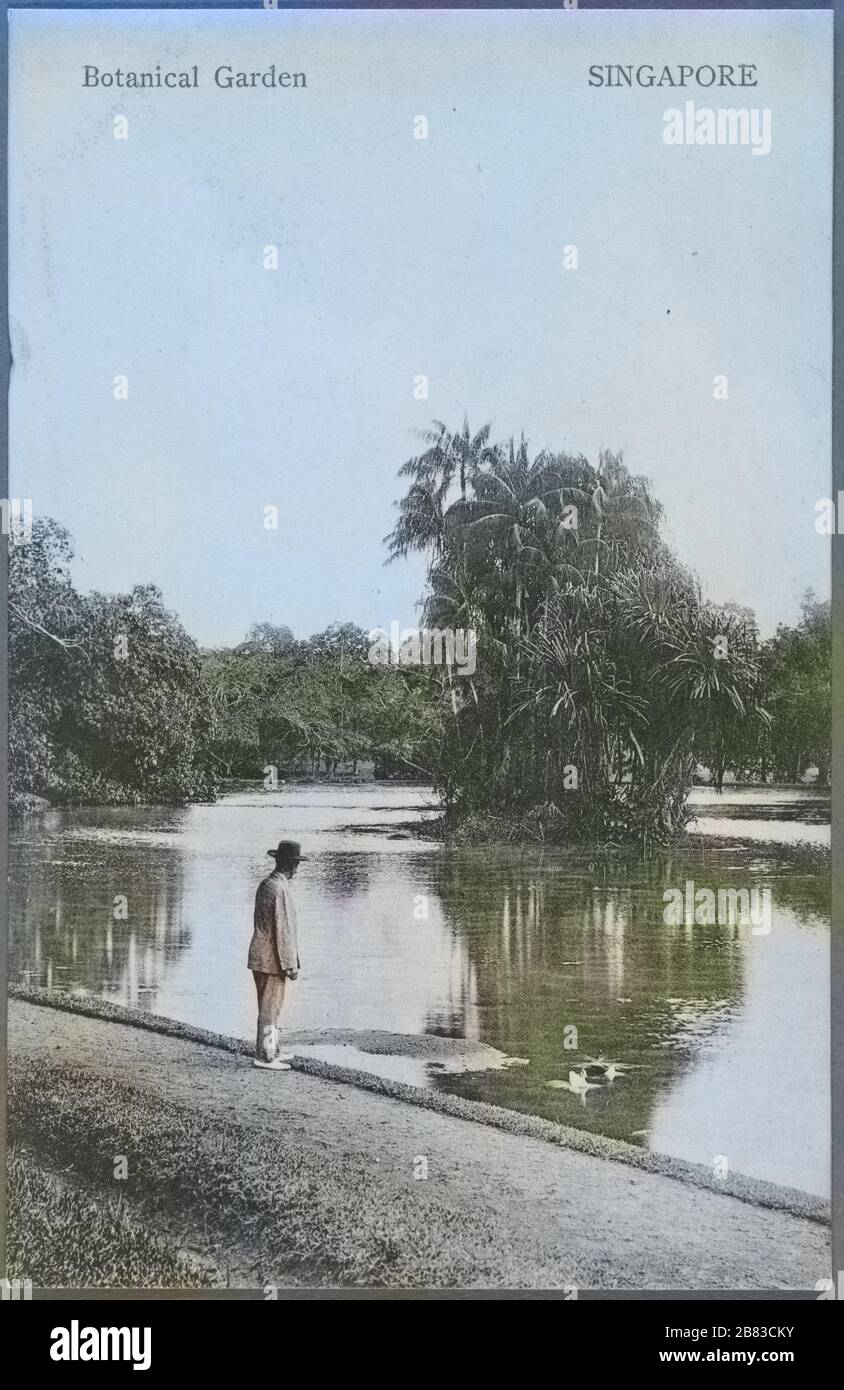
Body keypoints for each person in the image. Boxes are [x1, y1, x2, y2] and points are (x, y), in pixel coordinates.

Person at [248, 839, 306, 1070]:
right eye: (295, 864)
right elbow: (283, 930)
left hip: (260, 953)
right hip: (271, 957)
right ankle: (265, 1056)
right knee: (270, 1008)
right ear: (290, 866)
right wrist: (290, 964)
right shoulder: (280, 889)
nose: (296, 870)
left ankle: (272, 1049)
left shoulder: (266, 884)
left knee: (268, 1006)